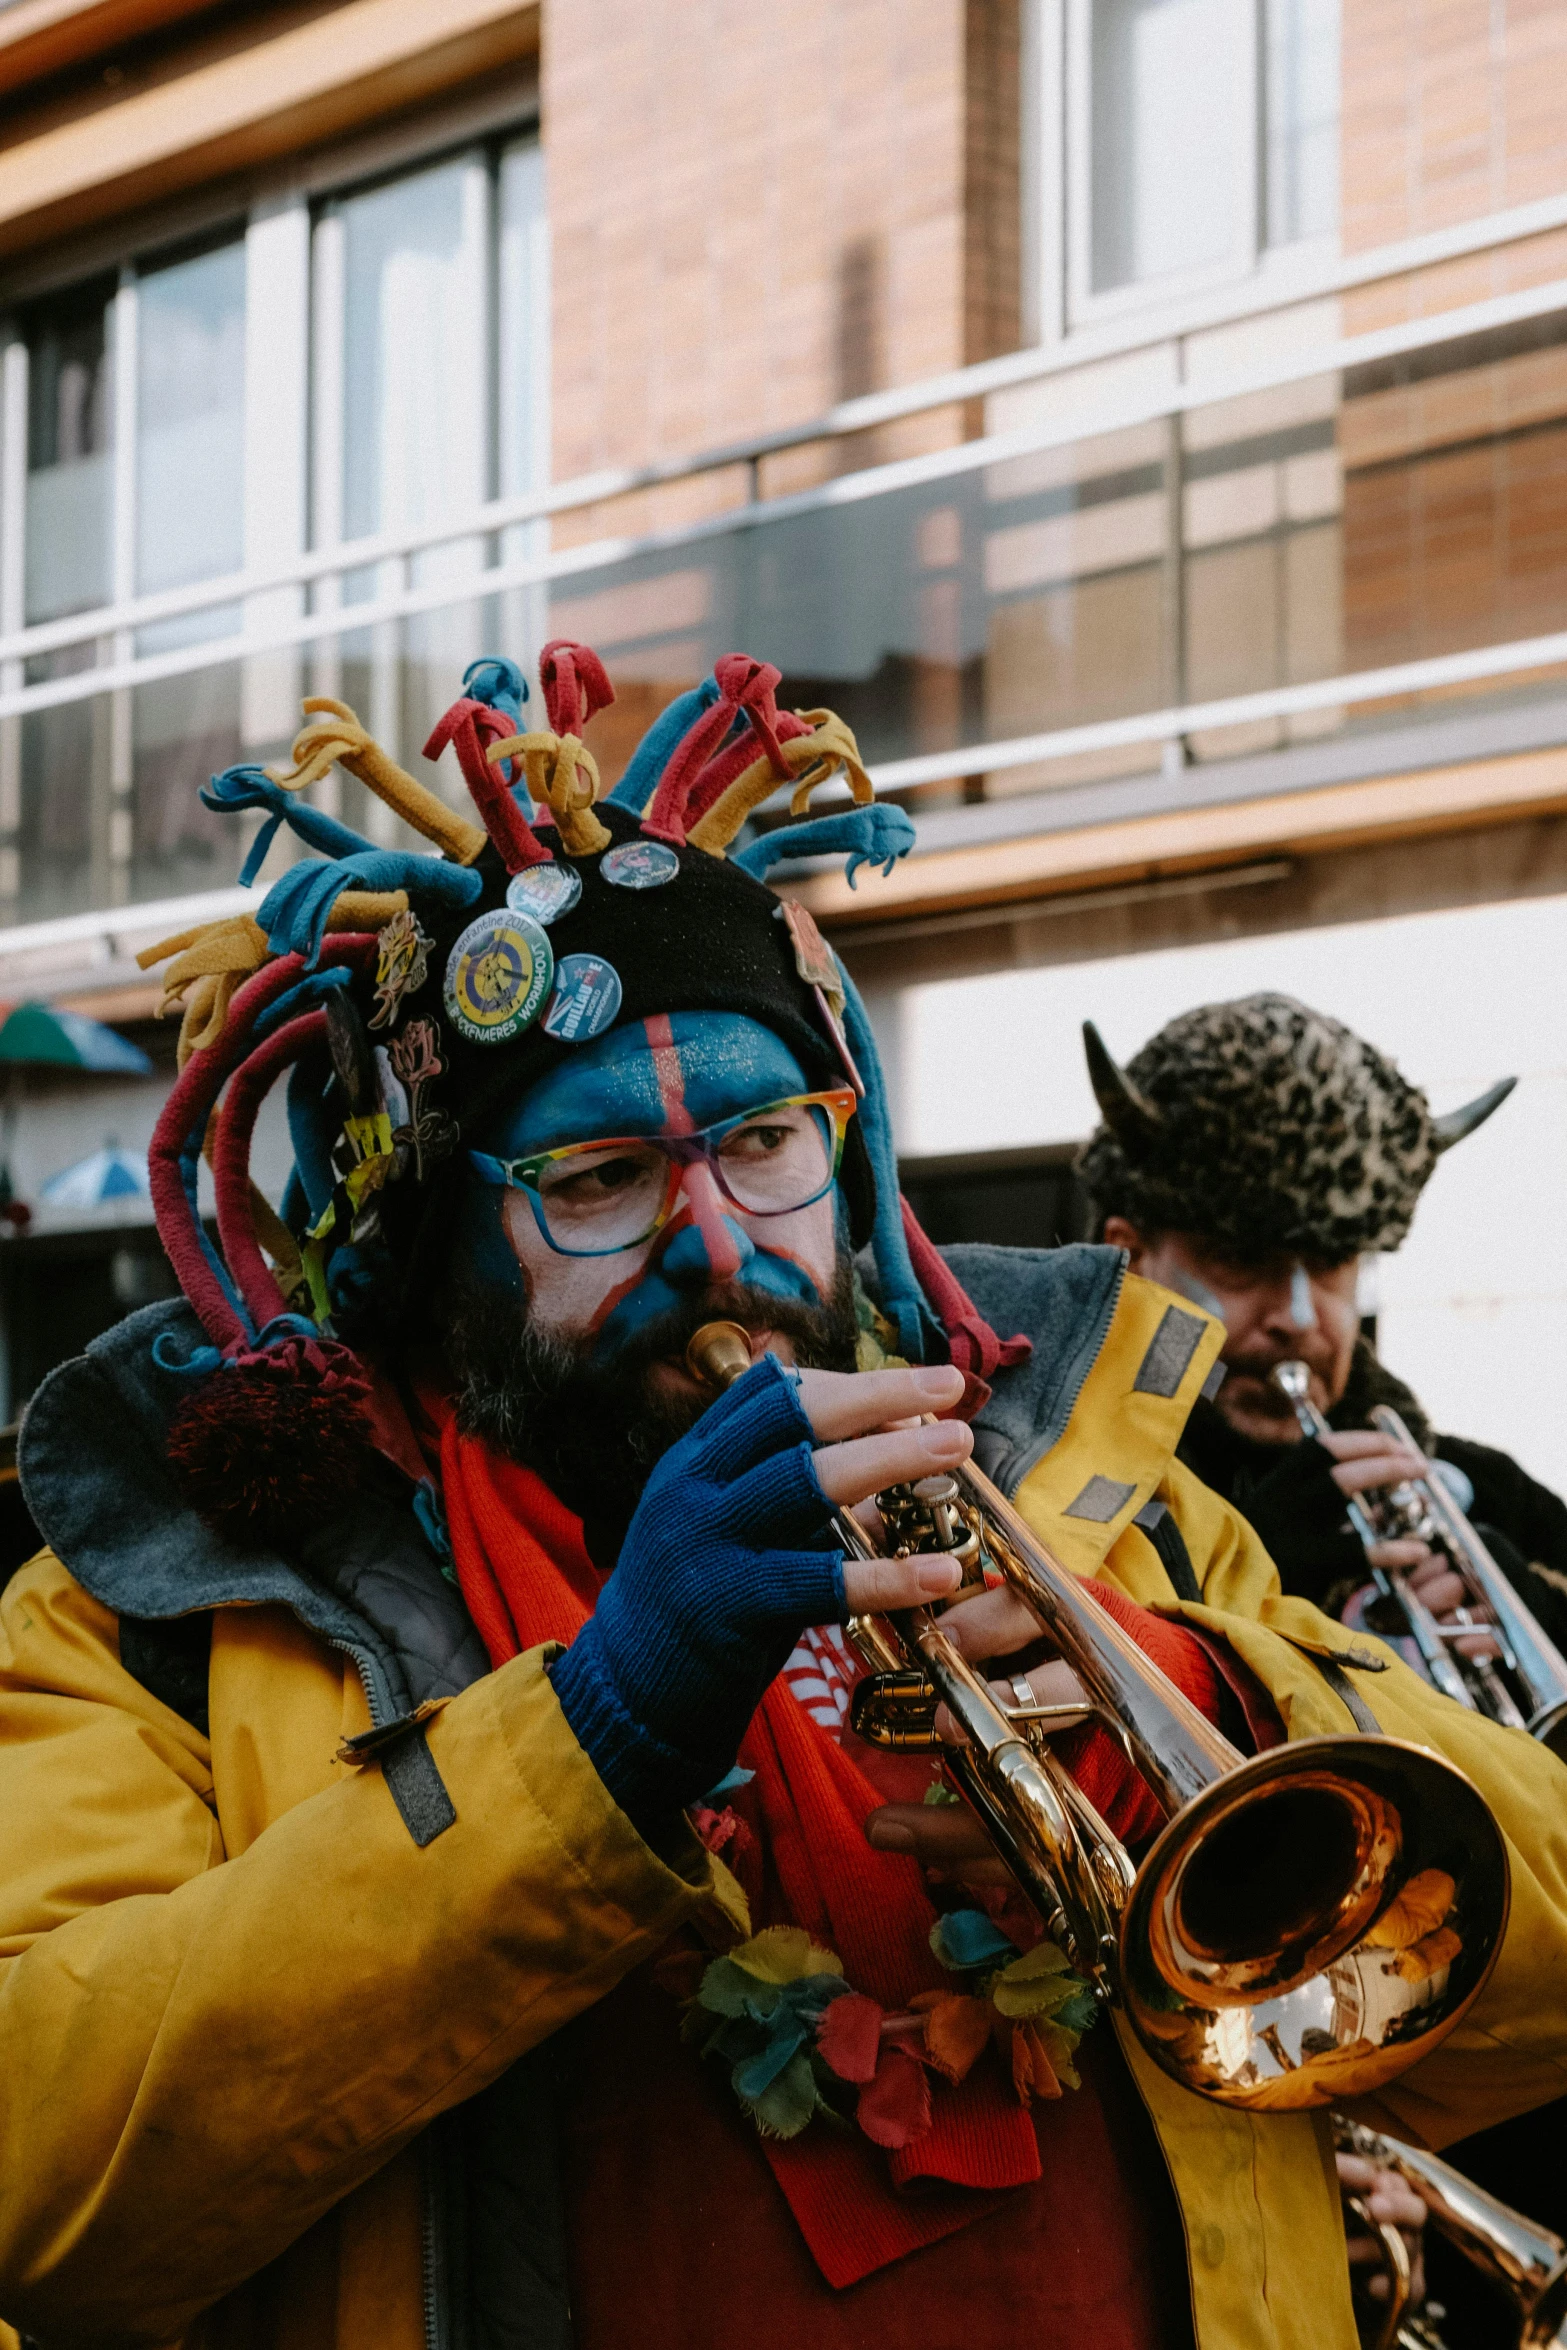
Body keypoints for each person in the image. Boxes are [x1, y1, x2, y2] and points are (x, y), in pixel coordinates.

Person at [0, 652, 1562, 2350]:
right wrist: (590, 1739)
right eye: (598, 1179)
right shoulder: (163, 1609)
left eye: (764, 1145)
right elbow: (40, 2192)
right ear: (435, 1250)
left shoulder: (1114, 1499)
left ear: (852, 1157)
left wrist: (1204, 1710)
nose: (721, 1241)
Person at [1076, 991, 1567, 2339]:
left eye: (1335, 1263)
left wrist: (1509, 1616)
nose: (1297, 1316)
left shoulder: (1482, 1499)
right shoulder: (1072, 1509)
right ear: (1128, 1248)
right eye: (1241, 1258)